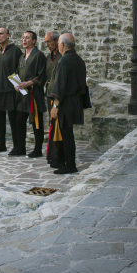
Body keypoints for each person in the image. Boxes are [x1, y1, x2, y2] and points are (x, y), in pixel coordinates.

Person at [49, 33, 87, 175]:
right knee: (67, 133)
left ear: (63, 45)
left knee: (67, 135)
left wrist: (55, 106)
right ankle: (64, 161)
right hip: (75, 101)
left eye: (58, 43)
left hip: (66, 102)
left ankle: (70, 164)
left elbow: (60, 85)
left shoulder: (64, 61)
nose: (58, 45)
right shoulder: (79, 60)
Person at [14, 31, 46, 157]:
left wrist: (29, 83)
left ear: (34, 40)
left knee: (37, 123)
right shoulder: (22, 57)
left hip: (34, 94)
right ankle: (21, 148)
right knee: (19, 121)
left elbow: (41, 75)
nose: (24, 40)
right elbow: (17, 73)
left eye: (27, 38)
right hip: (22, 95)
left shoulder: (39, 56)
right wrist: (17, 84)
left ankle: (38, 149)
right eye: (23, 38)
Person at [0, 27, 22, 153]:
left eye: (1, 34)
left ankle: (17, 145)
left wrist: (19, 86)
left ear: (8, 35)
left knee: (13, 119)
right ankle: (1, 144)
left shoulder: (16, 51)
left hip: (11, 90)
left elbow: (19, 69)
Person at [43, 31, 64, 168]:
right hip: (49, 96)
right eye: (45, 42)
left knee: (59, 128)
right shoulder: (48, 57)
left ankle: (59, 156)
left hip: (58, 98)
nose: (47, 45)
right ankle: (53, 155)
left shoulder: (62, 58)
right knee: (52, 126)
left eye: (49, 42)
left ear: (57, 41)